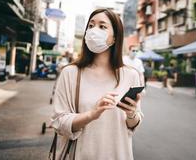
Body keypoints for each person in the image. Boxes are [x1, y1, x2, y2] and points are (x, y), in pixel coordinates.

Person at [51, 9, 143, 159]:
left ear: (115, 38)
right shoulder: (70, 73)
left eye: (102, 26)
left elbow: (133, 125)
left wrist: (131, 113)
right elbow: (59, 122)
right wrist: (91, 114)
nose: (94, 31)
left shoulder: (131, 75)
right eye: (91, 25)